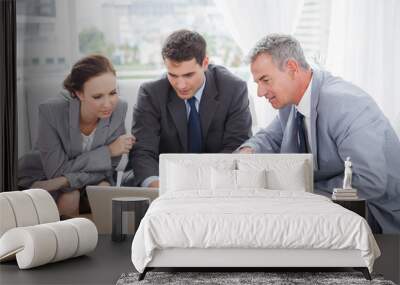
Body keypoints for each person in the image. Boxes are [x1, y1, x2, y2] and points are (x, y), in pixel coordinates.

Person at [239, 34, 400, 234]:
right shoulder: (291, 102)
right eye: (257, 83)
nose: (260, 92)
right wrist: (247, 152)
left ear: (291, 68)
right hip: (331, 205)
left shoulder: (345, 104)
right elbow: (271, 137)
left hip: (377, 213)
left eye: (265, 80)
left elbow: (369, 181)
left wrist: (297, 191)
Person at [129, 29, 252, 188]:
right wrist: (159, 188)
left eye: (188, 75)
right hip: (165, 183)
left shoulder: (233, 89)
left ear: (205, 64)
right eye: (173, 75)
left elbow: (235, 148)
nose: (181, 85)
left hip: (215, 184)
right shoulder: (151, 93)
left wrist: (203, 187)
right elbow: (143, 152)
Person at [18, 54, 135, 217]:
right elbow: (56, 172)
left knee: (104, 191)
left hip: (76, 181)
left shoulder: (119, 108)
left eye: (113, 93)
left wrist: (66, 180)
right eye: (97, 96)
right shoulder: (51, 112)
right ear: (79, 94)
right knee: (69, 197)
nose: (108, 103)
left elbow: (108, 169)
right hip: (43, 179)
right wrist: (107, 151)